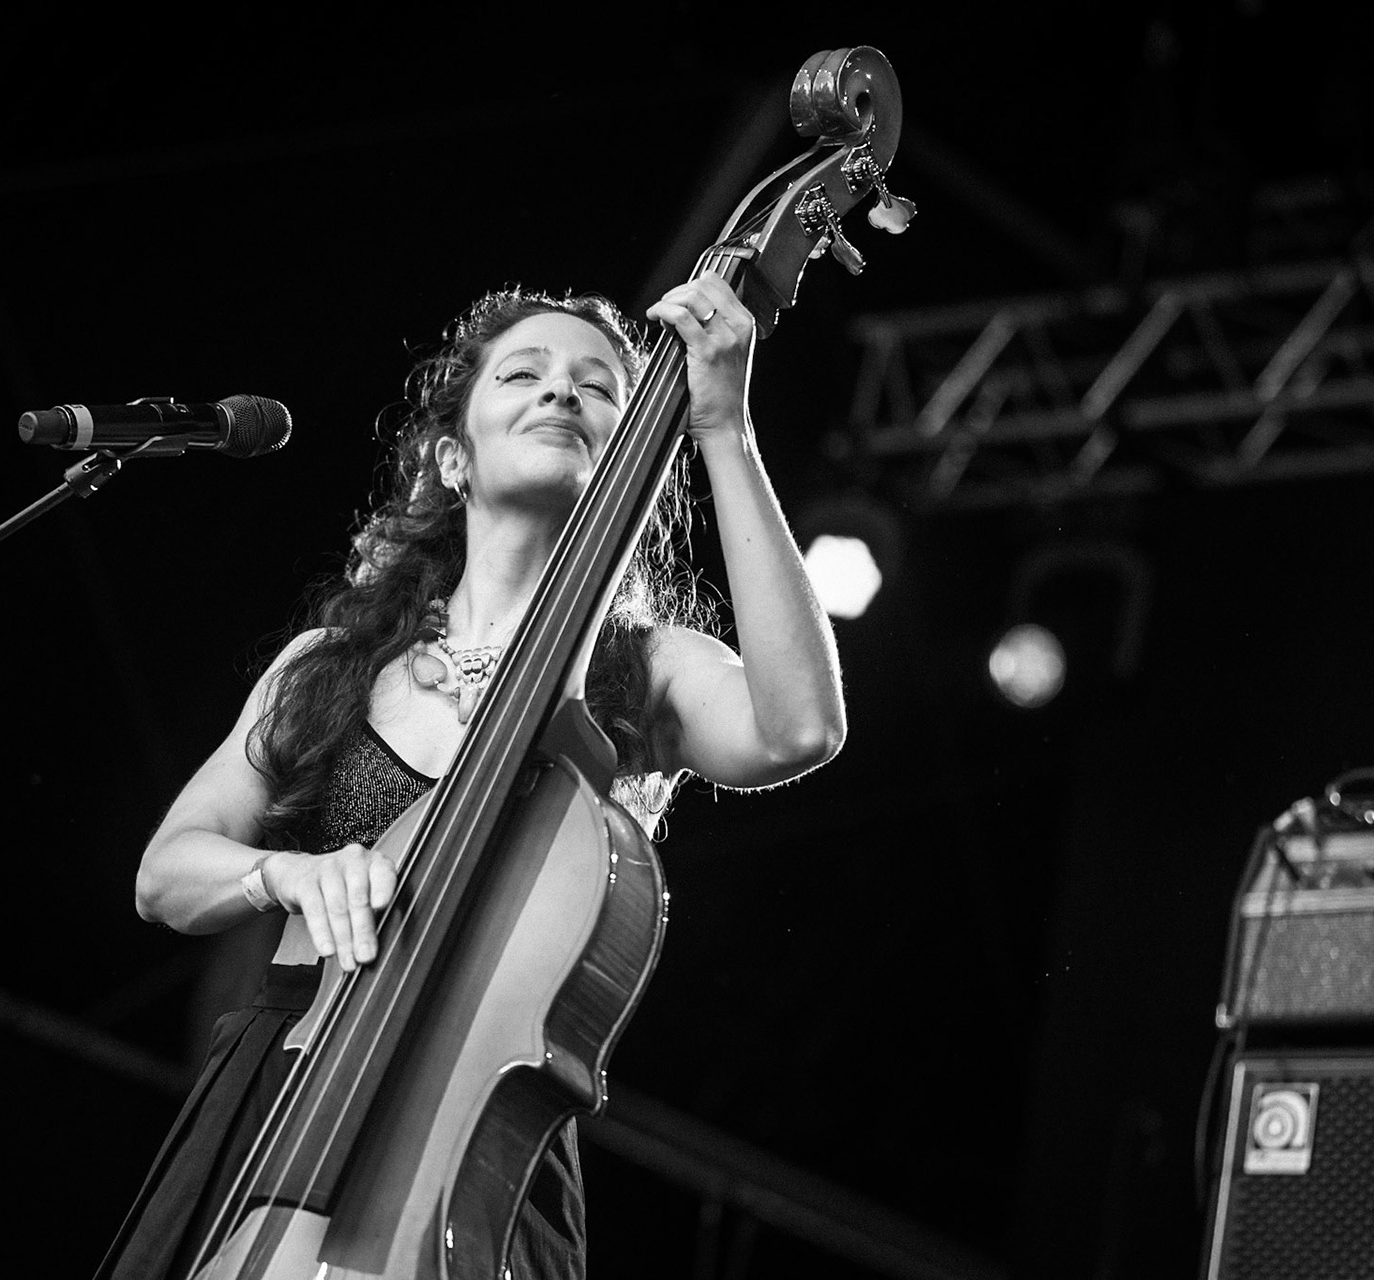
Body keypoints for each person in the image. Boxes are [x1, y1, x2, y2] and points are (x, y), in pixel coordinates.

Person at [96, 273, 846, 1279]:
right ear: (454, 454)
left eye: (597, 386)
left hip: (482, 1155)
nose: (562, 392)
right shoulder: (334, 662)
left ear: (630, 453)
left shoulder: (647, 668)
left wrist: (722, 428)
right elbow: (166, 874)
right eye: (525, 374)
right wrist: (283, 875)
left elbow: (799, 726)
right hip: (278, 1106)